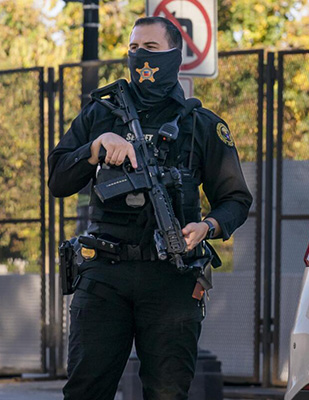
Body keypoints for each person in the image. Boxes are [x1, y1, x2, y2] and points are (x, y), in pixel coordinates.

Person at [48, 16, 252, 400]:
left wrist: (207, 227)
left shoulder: (200, 125)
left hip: (172, 278)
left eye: (151, 48)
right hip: (104, 274)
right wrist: (95, 149)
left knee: (167, 393)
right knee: (85, 390)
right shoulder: (100, 115)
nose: (140, 56)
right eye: (134, 48)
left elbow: (236, 199)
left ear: (175, 55)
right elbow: (58, 179)